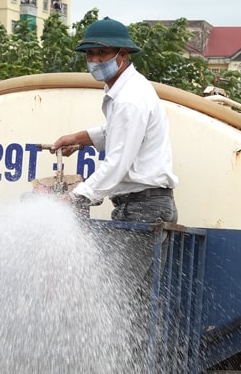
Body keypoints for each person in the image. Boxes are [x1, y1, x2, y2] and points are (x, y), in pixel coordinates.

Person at [47, 17, 178, 225]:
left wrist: (74, 197)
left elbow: (118, 161)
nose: (95, 61)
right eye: (90, 54)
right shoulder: (127, 90)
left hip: (142, 207)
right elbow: (116, 132)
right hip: (144, 204)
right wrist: (78, 139)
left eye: (103, 53)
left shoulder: (129, 99)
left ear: (123, 54)